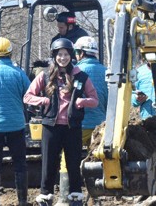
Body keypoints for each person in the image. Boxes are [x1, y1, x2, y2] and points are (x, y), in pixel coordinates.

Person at [24, 38, 99, 205]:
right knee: (48, 163)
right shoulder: (44, 76)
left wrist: (82, 102)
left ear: (71, 56)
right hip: (51, 126)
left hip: (72, 127)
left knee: (73, 163)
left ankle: (75, 196)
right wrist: (43, 101)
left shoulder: (81, 76)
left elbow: (95, 100)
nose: (62, 58)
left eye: (66, 54)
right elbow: (27, 96)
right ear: (54, 56)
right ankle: (46, 195)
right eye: (59, 55)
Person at [56, 36, 108, 205]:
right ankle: (97, 199)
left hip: (77, 125)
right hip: (100, 127)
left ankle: (65, 198)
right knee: (96, 161)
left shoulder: (75, 71)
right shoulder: (107, 71)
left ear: (80, 53)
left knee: (68, 160)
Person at [0, 37, 31, 206]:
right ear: (11, 53)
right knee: (20, 162)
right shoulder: (18, 73)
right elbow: (29, 95)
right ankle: (22, 201)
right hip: (16, 125)